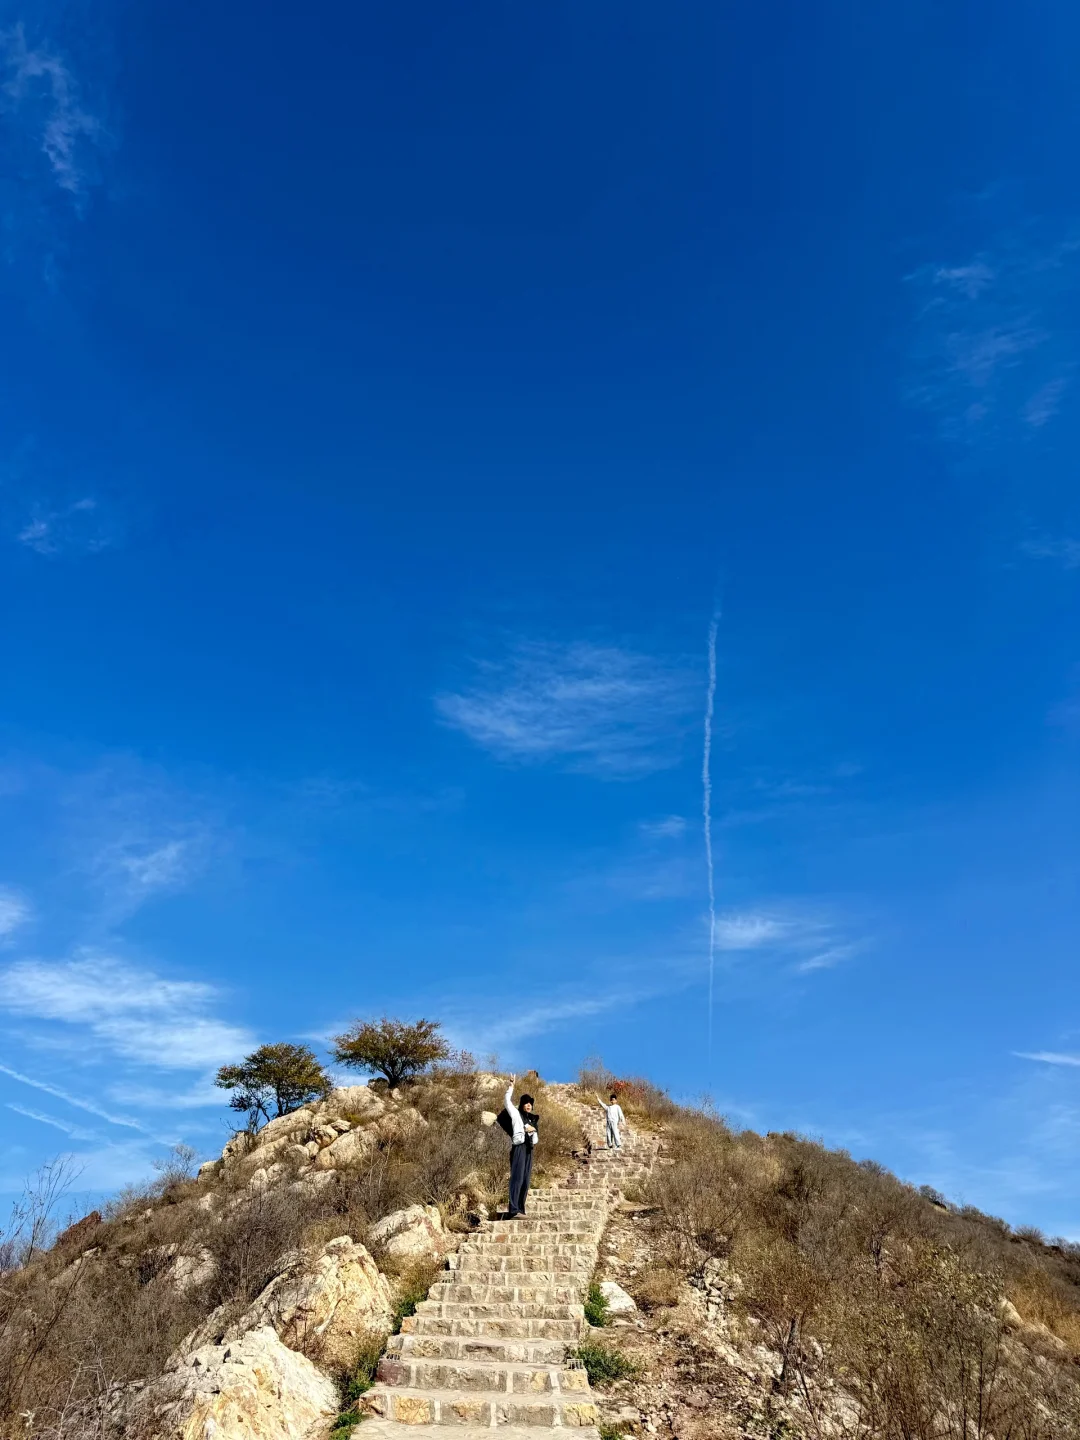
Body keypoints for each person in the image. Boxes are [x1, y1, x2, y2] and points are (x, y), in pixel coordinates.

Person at [504, 1074, 538, 1217]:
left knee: (525, 1179)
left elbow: (536, 1140)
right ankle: (513, 1209)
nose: (529, 1105)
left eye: (530, 1103)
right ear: (522, 1105)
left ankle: (520, 1209)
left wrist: (532, 1130)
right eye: (526, 1102)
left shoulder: (533, 1120)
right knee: (517, 1177)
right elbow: (507, 1102)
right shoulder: (517, 1115)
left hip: (529, 1150)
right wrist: (511, 1086)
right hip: (519, 1148)